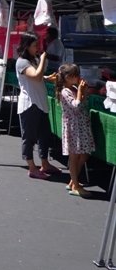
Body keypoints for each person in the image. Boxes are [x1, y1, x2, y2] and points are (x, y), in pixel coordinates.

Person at [15, 31, 61, 180]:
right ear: (26, 46)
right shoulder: (22, 62)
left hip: (39, 102)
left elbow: (37, 76)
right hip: (30, 104)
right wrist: (42, 60)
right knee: (29, 137)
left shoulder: (32, 60)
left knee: (44, 135)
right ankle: (32, 167)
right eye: (35, 45)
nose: (38, 48)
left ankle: (45, 163)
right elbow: (35, 77)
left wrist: (46, 77)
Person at [56, 63, 95, 198]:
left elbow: (83, 103)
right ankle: (76, 186)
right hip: (73, 127)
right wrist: (79, 92)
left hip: (81, 126)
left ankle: (73, 181)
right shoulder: (65, 91)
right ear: (67, 77)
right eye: (76, 75)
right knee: (74, 156)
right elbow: (76, 106)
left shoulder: (72, 88)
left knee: (84, 155)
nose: (79, 77)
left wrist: (83, 92)